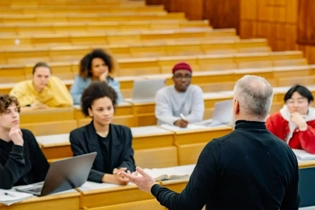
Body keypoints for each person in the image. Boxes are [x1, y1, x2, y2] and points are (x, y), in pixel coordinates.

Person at [125, 75, 300, 210]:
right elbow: (291, 206)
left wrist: (153, 187)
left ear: (236, 105)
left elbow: (186, 206)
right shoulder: (286, 152)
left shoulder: (217, 149)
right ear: (267, 107)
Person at [69, 81, 135, 185]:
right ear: (90, 111)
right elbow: (82, 170)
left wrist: (122, 171)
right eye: (100, 110)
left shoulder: (124, 132)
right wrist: (111, 178)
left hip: (120, 185)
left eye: (109, 108)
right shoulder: (78, 136)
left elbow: (129, 160)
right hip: (93, 187)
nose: (106, 113)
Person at [0, 95, 49, 189]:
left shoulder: (27, 136)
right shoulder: (20, 141)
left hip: (31, 194)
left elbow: (43, 171)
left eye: (16, 110)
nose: (15, 115)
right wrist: (18, 146)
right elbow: (5, 182)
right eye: (7, 112)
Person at [266, 84, 315, 154]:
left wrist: (303, 127)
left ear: (310, 103)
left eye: (300, 102)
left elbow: (313, 148)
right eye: (291, 102)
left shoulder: (313, 119)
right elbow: (266, 143)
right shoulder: (274, 119)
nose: (295, 105)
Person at [155, 62, 204, 128]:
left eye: (187, 76)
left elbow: (197, 114)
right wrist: (177, 121)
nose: (183, 80)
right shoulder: (162, 93)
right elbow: (163, 115)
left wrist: (183, 122)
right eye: (179, 76)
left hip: (190, 127)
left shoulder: (196, 90)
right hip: (168, 128)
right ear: (173, 78)